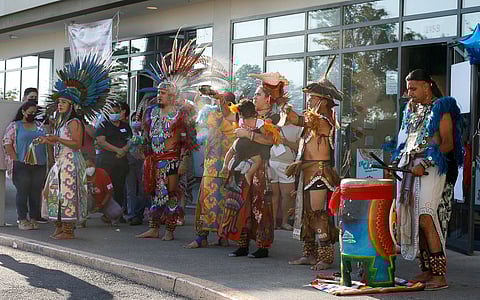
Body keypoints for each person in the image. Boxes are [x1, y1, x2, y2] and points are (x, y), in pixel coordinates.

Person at [391, 69, 463, 290]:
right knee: (414, 219)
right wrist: (397, 161)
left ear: (427, 86)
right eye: (408, 88)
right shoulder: (411, 110)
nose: (409, 92)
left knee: (426, 217)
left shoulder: (441, 107)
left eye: (414, 88)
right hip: (411, 168)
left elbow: (448, 143)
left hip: (434, 168)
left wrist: (427, 163)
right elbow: (406, 142)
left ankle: (439, 275)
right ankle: (426, 269)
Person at [39, 54, 111, 240]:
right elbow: (62, 140)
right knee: (53, 192)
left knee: (68, 194)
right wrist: (50, 140)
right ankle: (59, 225)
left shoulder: (74, 122)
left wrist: (57, 139)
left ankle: (68, 229)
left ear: (72, 105)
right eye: (59, 102)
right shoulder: (62, 123)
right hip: (61, 162)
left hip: (70, 162)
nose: (59, 105)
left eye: (63, 102)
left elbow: (77, 144)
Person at [219, 72, 287, 258]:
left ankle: (262, 246)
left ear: (268, 99)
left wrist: (248, 135)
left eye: (258, 94)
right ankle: (242, 244)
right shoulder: (247, 114)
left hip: (259, 168)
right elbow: (227, 115)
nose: (254, 97)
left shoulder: (273, 117)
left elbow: (270, 141)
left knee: (261, 204)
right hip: (242, 164)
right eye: (255, 94)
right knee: (242, 203)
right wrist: (219, 98)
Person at [285, 78, 342, 270]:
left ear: (323, 101)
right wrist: (283, 105)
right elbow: (297, 119)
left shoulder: (325, 121)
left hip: (320, 172)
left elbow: (299, 120)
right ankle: (309, 254)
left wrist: (285, 107)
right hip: (307, 173)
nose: (308, 101)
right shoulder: (312, 120)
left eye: (312, 97)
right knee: (307, 214)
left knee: (318, 214)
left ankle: (325, 256)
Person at [135, 81, 195, 240]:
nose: (158, 96)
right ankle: (153, 228)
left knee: (172, 194)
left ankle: (170, 230)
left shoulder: (180, 115)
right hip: (154, 160)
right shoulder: (150, 113)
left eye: (163, 93)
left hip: (172, 161)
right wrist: (142, 149)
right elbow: (146, 136)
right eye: (158, 92)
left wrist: (184, 160)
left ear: (172, 96)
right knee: (154, 194)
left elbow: (187, 140)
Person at [184, 91, 236, 249]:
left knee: (225, 201)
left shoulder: (235, 115)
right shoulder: (212, 113)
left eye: (224, 101)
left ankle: (222, 236)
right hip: (212, 163)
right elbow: (208, 136)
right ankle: (202, 237)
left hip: (227, 163)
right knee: (205, 199)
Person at [3, 101, 47, 230]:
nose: (32, 115)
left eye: (34, 113)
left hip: (39, 163)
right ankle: (22, 218)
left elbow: (47, 140)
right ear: (23, 111)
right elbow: (7, 143)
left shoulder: (40, 126)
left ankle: (34, 218)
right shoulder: (15, 126)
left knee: (35, 192)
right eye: (30, 112)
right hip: (21, 164)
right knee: (23, 192)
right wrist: (16, 159)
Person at [221, 99, 276, 189]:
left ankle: (225, 165)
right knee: (257, 160)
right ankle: (249, 174)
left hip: (238, 145)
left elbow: (227, 116)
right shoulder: (258, 122)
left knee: (230, 151)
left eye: (258, 95)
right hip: (251, 149)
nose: (255, 97)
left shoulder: (240, 121)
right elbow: (265, 135)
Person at [95, 102, 132, 223]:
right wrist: (118, 150)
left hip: (121, 162)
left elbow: (131, 140)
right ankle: (106, 213)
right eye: (111, 112)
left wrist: (124, 150)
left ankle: (118, 213)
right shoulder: (103, 125)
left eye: (116, 112)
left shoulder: (125, 126)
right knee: (107, 188)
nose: (114, 114)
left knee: (119, 188)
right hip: (107, 162)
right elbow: (101, 141)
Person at [268, 113, 302, 230]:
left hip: (287, 165)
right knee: (273, 194)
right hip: (271, 162)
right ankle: (271, 222)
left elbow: (299, 147)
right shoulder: (272, 125)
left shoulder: (298, 128)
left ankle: (285, 221)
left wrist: (285, 142)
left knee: (287, 195)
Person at [85, 156, 122, 225]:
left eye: (90, 166)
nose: (89, 168)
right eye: (86, 167)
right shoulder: (82, 175)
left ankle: (106, 217)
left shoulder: (103, 173)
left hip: (104, 201)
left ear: (94, 165)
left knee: (117, 212)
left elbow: (109, 192)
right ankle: (82, 219)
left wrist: (101, 205)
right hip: (90, 201)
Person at [126, 113, 147, 226]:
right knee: (131, 190)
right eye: (134, 119)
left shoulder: (147, 132)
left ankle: (139, 213)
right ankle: (132, 215)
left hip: (143, 163)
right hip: (130, 163)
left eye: (138, 119)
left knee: (143, 189)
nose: (136, 121)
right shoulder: (128, 131)